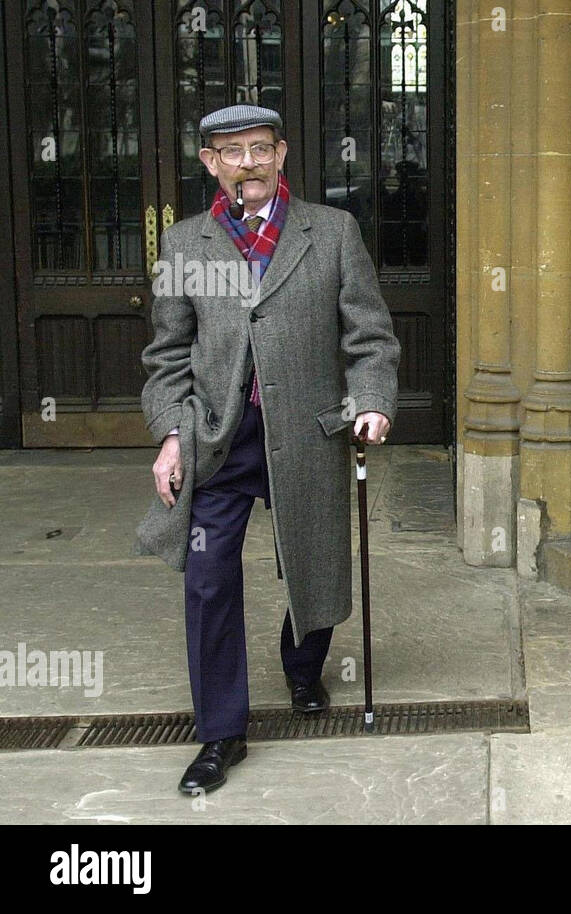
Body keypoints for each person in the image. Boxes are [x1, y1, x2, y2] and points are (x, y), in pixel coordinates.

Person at [136, 104, 401, 795]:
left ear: (281, 153)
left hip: (306, 432)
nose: (247, 162)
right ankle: (221, 734)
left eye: (260, 148)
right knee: (209, 578)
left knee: (314, 561)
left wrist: (371, 399)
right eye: (231, 151)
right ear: (210, 162)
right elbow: (165, 354)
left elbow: (369, 334)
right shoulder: (185, 245)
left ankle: (304, 664)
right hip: (218, 436)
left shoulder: (333, 231)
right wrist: (171, 433)